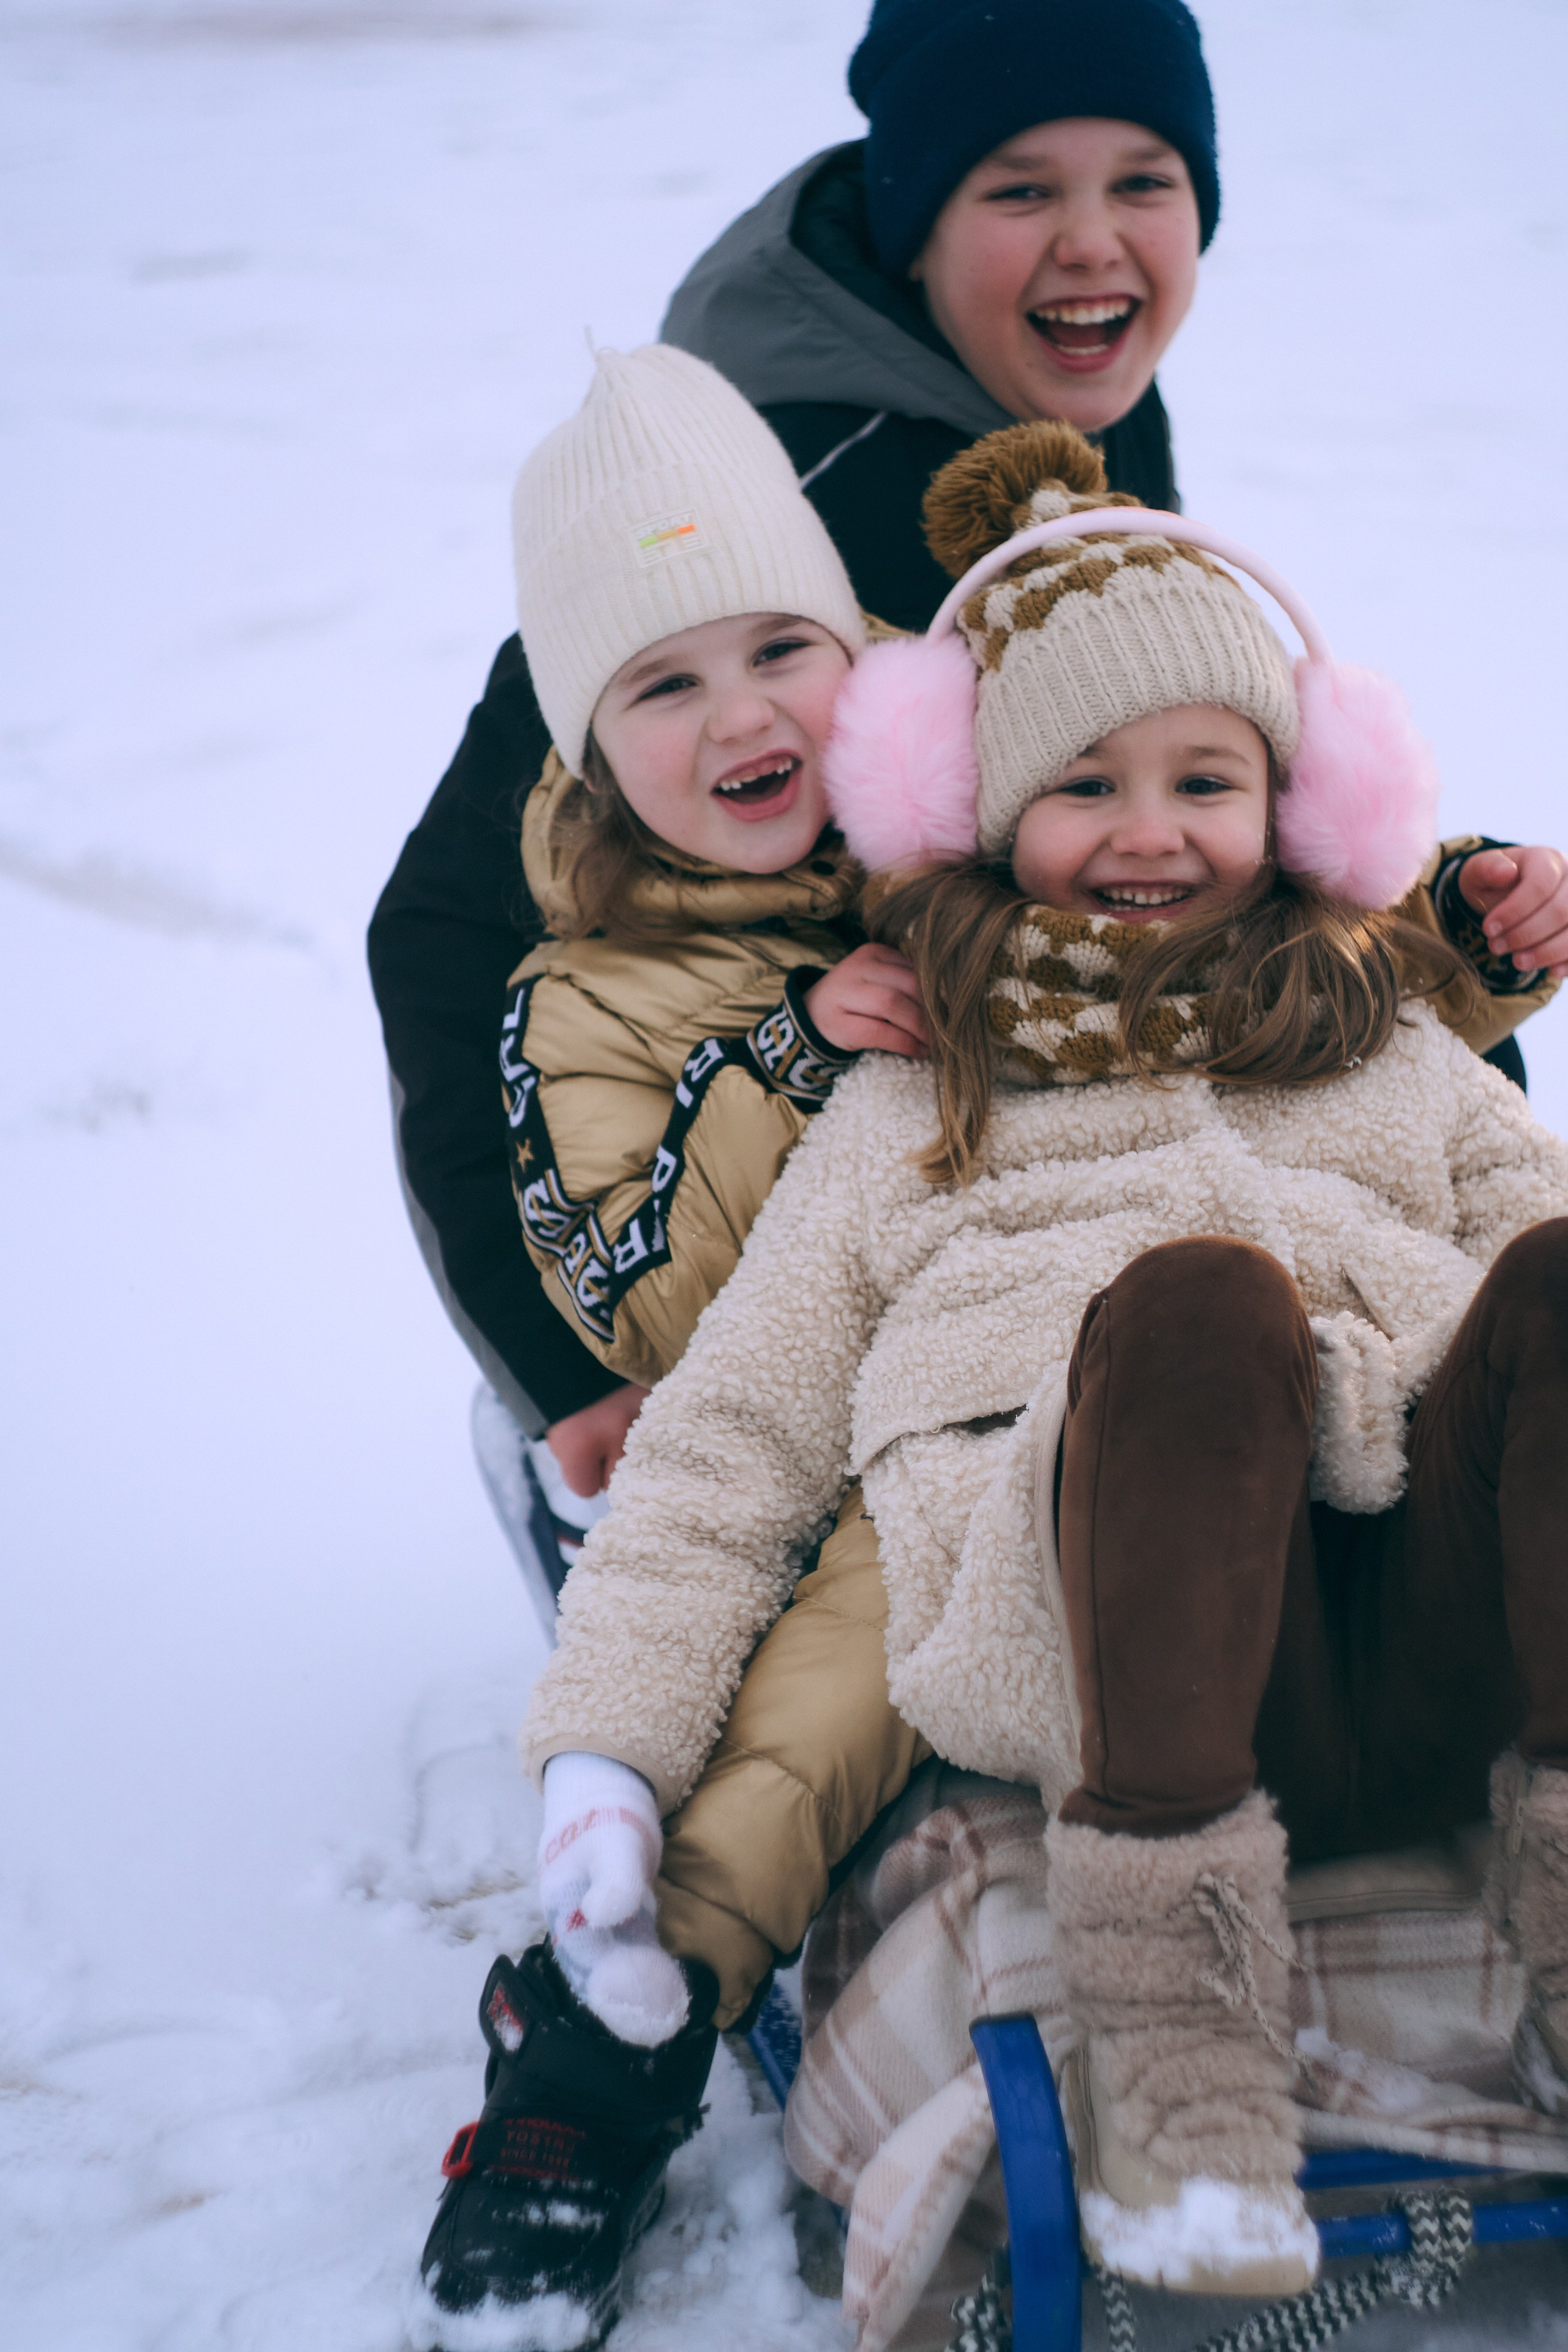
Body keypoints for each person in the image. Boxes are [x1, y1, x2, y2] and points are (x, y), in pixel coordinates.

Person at [426, 420, 1568, 2338]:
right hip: (1127, 1647)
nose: (1149, 832)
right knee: (1197, 1309)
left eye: (1207, 778)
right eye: (1084, 785)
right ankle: (1181, 2075)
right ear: (979, 814)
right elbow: (736, 1447)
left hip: (1439, 1639)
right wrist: (607, 1747)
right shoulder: (915, 1096)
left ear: (1295, 804)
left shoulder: (1392, 1051)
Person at [368, 0, 1567, 1533]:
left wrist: (1447, 931)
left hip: (1014, 1092)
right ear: (912, 220)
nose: (1091, 244)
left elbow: (1190, 785)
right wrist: (561, 1371)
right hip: (770, 1174)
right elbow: (443, 924)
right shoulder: (773, 507)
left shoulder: (1066, 410)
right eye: (1018, 190)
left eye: (1144, 181)